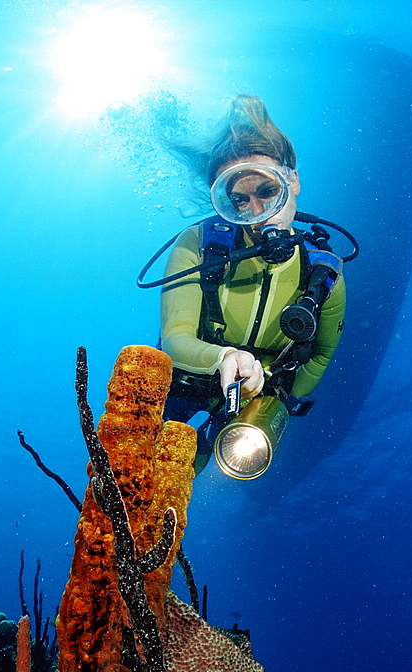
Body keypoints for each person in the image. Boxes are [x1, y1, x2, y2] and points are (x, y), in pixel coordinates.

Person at [159, 96, 347, 473]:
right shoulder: (197, 246)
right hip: (184, 382)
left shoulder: (324, 275)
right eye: (239, 201)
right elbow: (174, 338)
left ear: (292, 181)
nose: (258, 214)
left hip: (252, 400)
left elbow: (322, 354)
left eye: (267, 191)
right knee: (134, 473)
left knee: (179, 486)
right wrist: (222, 357)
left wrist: (275, 400)